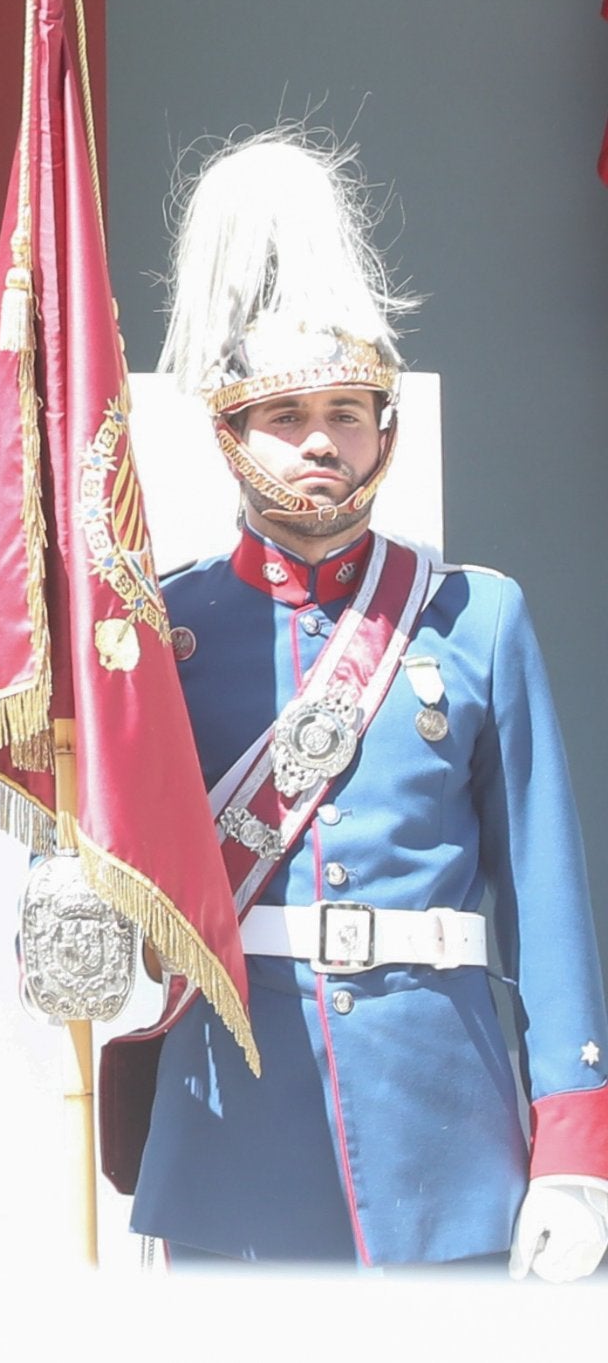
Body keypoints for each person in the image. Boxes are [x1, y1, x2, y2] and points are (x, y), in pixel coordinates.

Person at [113, 137, 608, 1273]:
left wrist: (574, 1145)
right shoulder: (161, 634)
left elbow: (546, 892)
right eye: (285, 414)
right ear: (229, 434)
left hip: (440, 1130)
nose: (322, 440)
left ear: (384, 428)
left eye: (348, 409)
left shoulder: (474, 616)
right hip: (231, 1131)